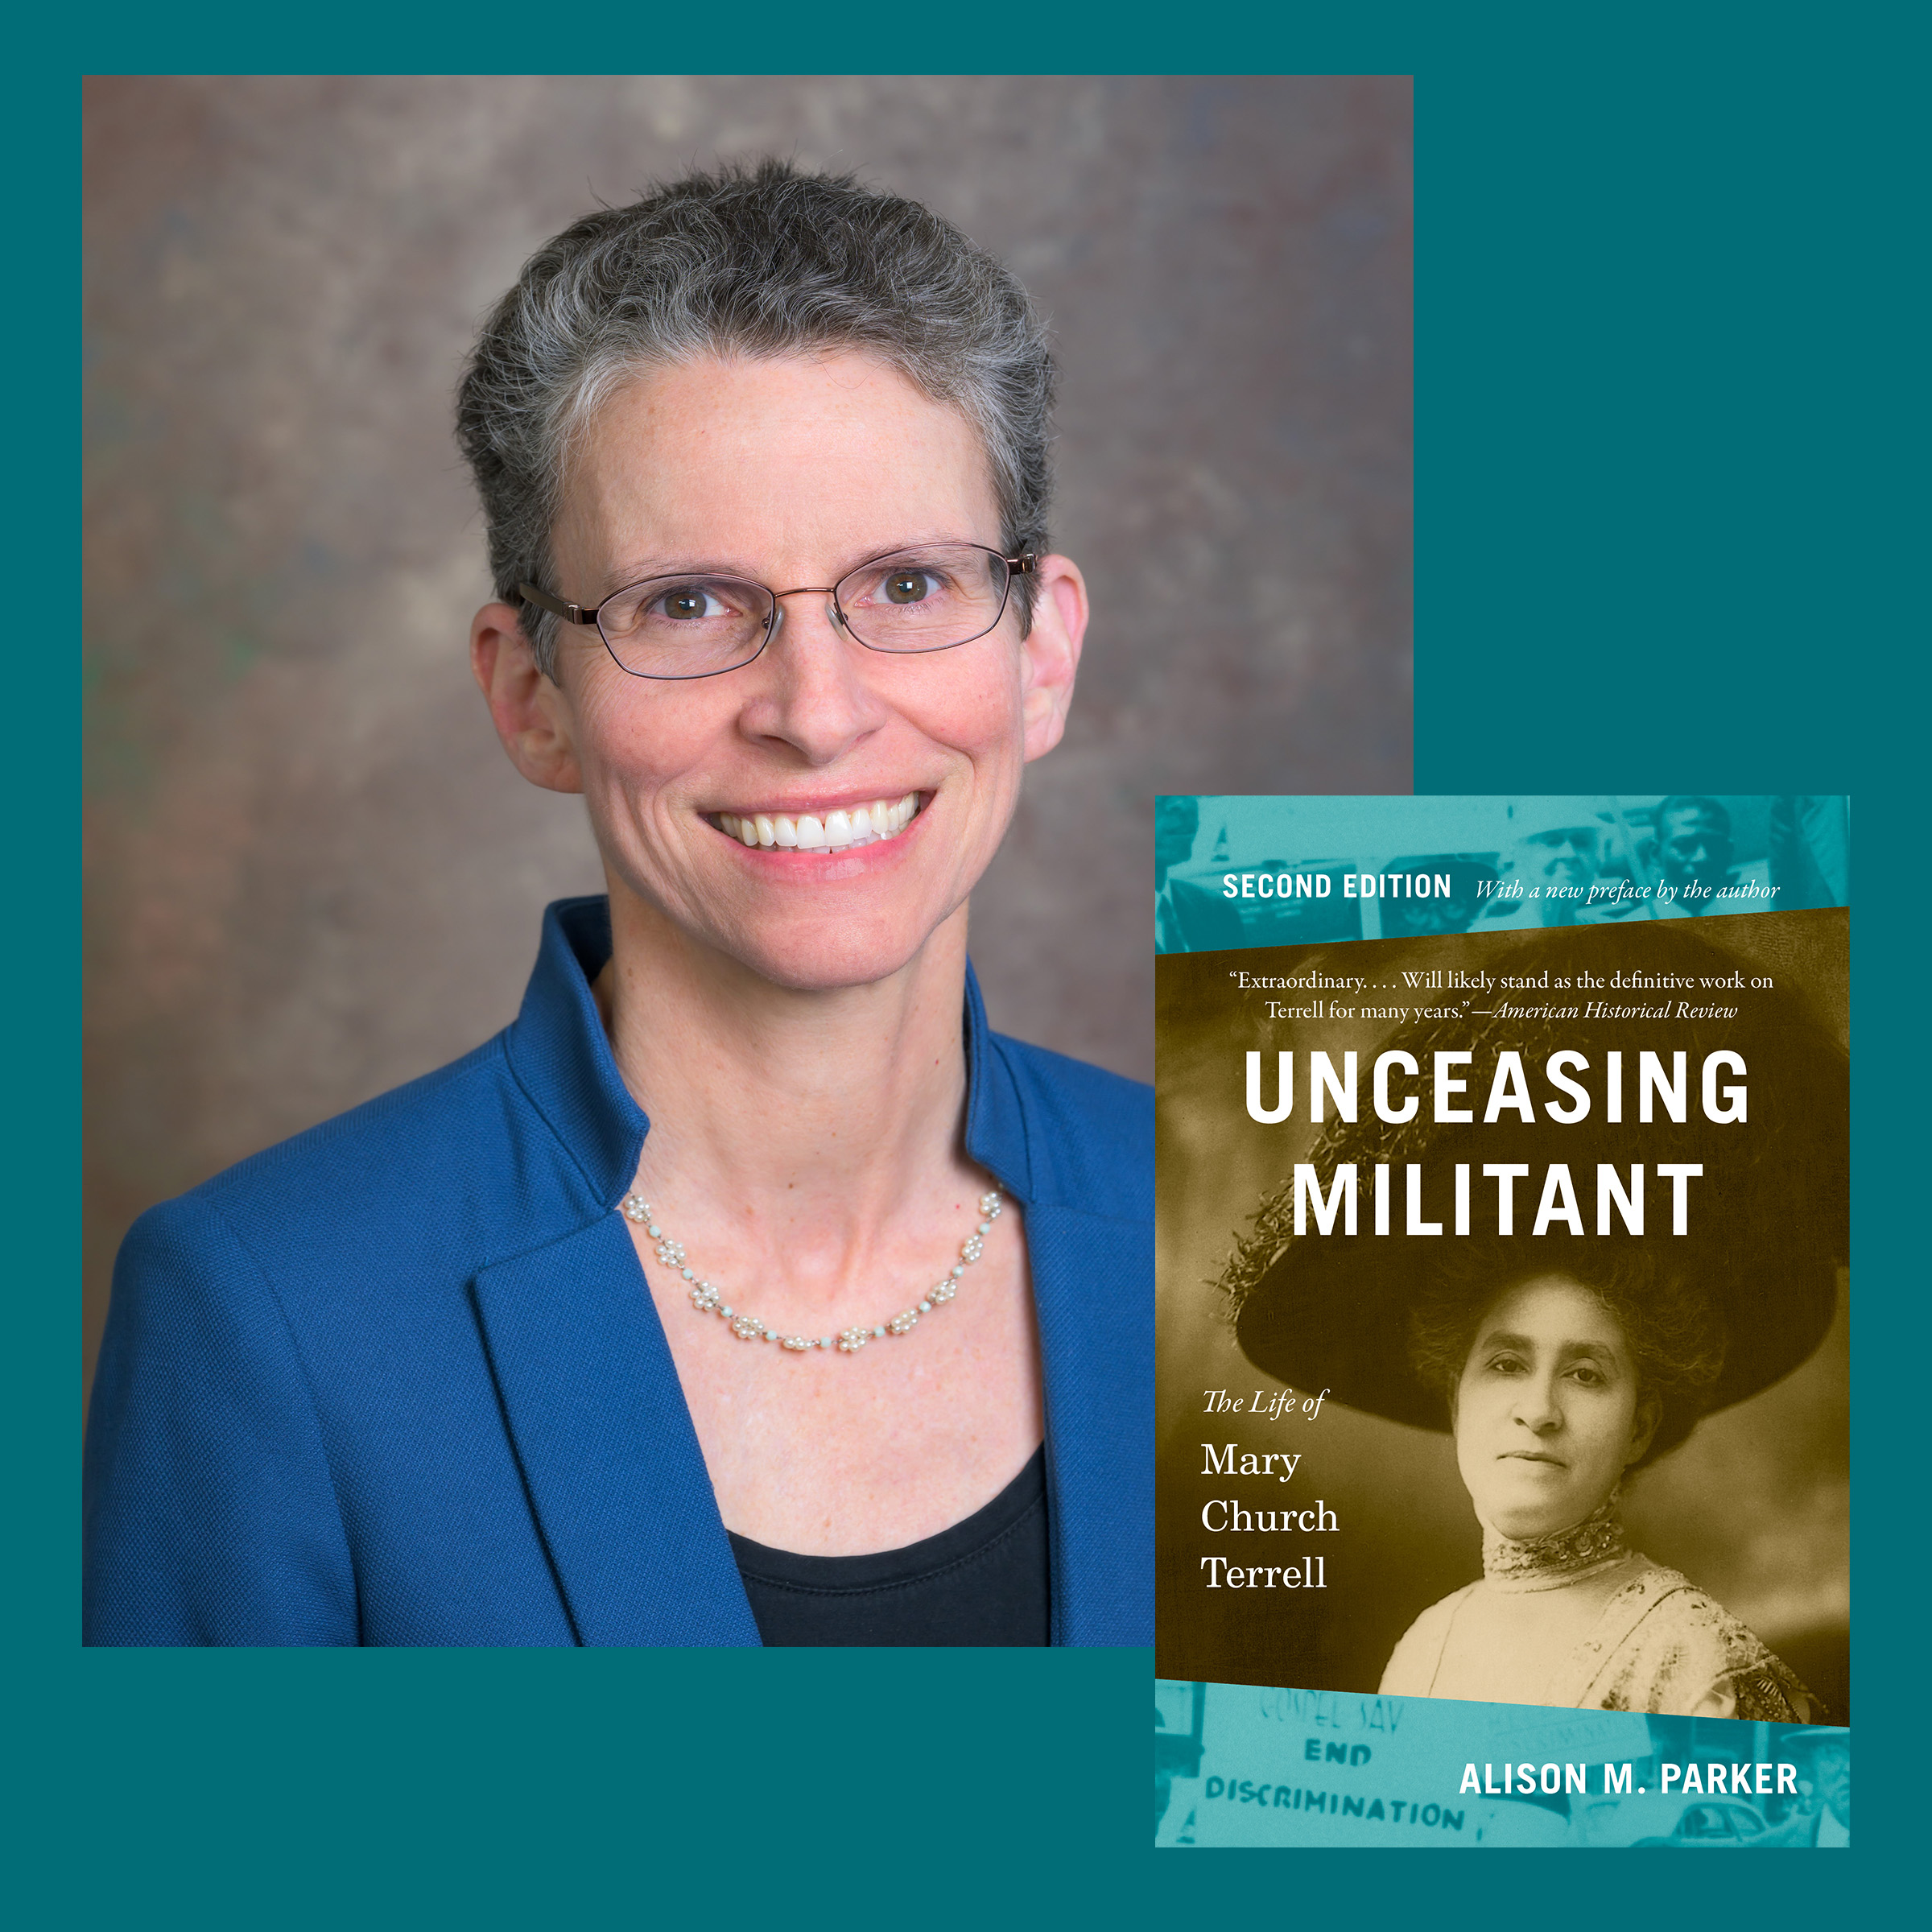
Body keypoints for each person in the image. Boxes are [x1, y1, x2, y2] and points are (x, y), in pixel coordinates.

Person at [84, 161, 1150, 1647]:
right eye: (690, 604)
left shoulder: (1283, 1243)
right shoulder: (270, 1320)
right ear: (533, 697)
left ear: (1039, 657)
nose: (817, 713)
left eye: (908, 584)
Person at [1219, 922, 1846, 1714]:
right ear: (1456, 1395)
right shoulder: (1427, 1646)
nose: (1537, 1411)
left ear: (1642, 1425)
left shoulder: (1697, 1669)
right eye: (1506, 1363)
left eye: (1586, 1374)